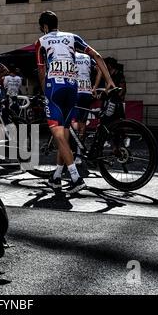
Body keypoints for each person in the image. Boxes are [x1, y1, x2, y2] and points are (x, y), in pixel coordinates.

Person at [36, 10, 115, 193]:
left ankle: (75, 178)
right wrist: (109, 80)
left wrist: (44, 92)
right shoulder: (73, 37)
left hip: (54, 89)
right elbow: (97, 56)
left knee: (58, 136)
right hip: (73, 89)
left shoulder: (41, 42)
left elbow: (41, 72)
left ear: (45, 27)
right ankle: (56, 178)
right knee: (64, 136)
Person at [73, 52, 100, 165]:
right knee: (82, 124)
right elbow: (100, 70)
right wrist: (95, 87)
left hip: (75, 91)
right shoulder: (88, 57)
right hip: (87, 91)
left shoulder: (70, 55)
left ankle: (73, 152)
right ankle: (79, 153)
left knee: (71, 122)